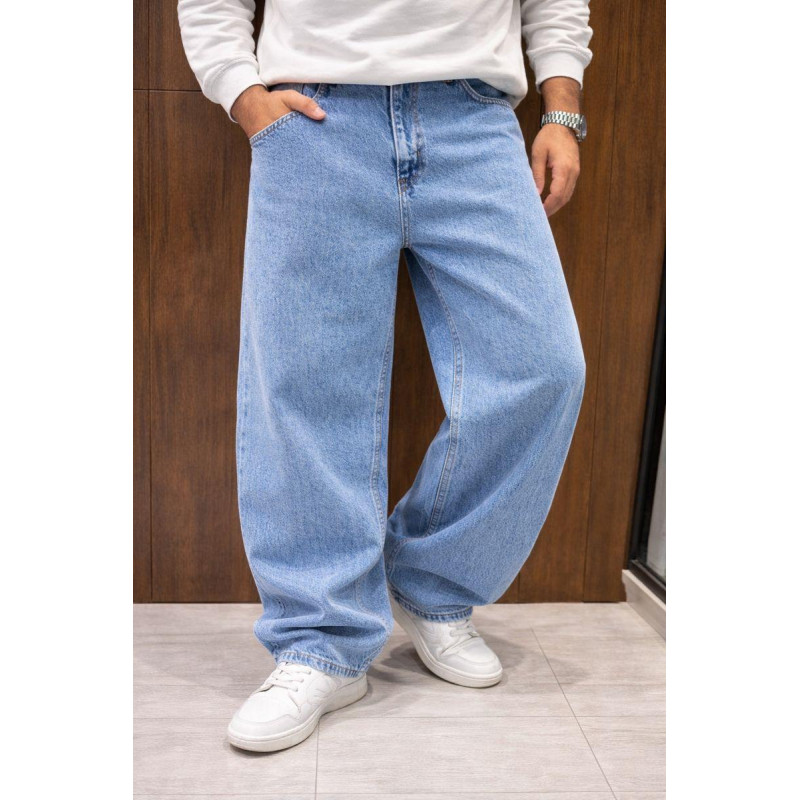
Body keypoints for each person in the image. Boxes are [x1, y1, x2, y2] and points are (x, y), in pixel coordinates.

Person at [178, 0, 592, 753]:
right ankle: (321, 641)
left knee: (543, 368)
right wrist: (243, 94)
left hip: (474, 119)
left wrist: (561, 108)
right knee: (307, 388)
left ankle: (431, 583)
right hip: (315, 118)